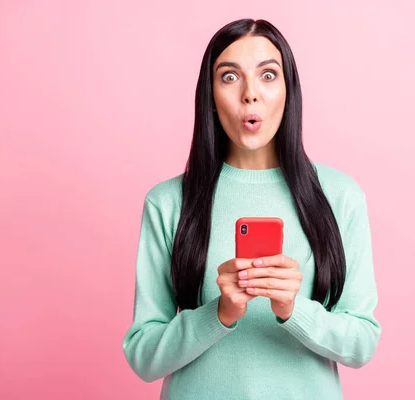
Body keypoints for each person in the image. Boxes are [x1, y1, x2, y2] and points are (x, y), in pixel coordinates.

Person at [122, 18, 381, 400]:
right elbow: (143, 357)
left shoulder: (340, 196)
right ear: (209, 95)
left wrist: (295, 310)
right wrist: (219, 313)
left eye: (268, 75)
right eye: (229, 77)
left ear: (289, 91)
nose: (250, 94)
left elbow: (362, 345)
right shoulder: (168, 202)